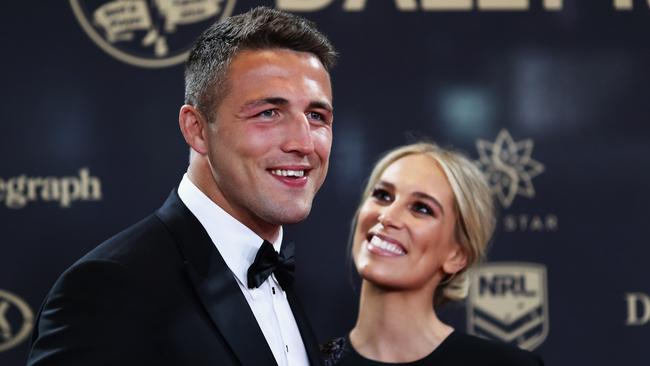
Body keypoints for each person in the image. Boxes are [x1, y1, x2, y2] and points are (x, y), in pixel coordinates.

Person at [27, 7, 336, 366]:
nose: (304, 142)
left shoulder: (293, 286)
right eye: (268, 112)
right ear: (197, 129)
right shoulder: (110, 289)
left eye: (317, 116)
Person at [323, 142, 544, 365]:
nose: (387, 216)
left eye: (421, 208)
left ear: (457, 255)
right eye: (382, 195)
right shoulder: (302, 359)